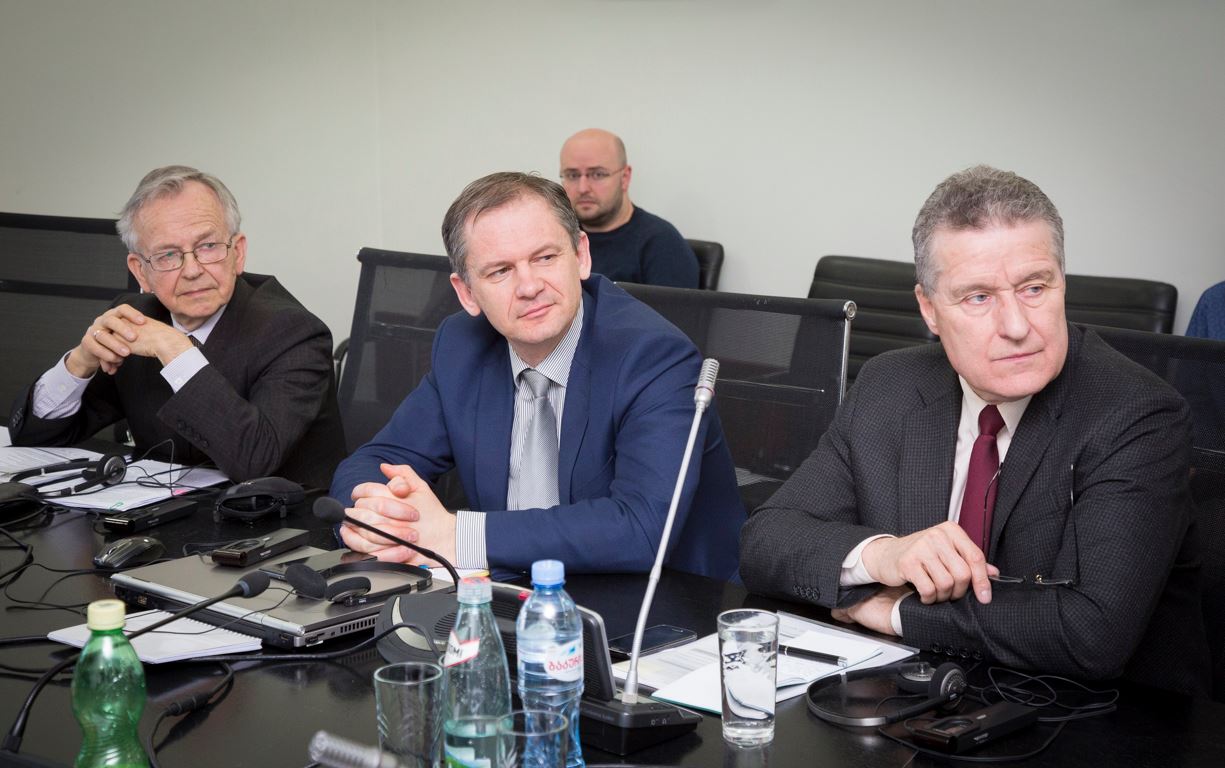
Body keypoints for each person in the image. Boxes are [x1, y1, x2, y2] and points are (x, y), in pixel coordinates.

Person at [739, 165, 1210, 696]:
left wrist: (894, 612)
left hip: (1104, 718)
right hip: (922, 699)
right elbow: (766, 541)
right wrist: (883, 555)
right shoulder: (890, 386)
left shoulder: (1137, 414)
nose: (1017, 326)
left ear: (1062, 282)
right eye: (978, 297)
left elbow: (1091, 634)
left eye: (1035, 287)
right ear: (929, 309)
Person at [330, 172, 743, 580]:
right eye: (500, 271)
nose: (529, 287)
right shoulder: (462, 346)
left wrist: (457, 535)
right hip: (506, 588)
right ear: (467, 293)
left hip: (660, 602)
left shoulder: (652, 356)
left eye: (545, 258)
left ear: (581, 255)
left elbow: (641, 527)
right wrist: (379, 521)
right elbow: (373, 461)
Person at [8, 165, 345, 488]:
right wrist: (79, 363)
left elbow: (255, 458)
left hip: (278, 520)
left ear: (238, 253)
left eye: (208, 246)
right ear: (140, 272)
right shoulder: (135, 318)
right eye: (168, 255)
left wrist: (175, 351)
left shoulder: (293, 332)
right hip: (161, 511)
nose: (192, 270)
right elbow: (36, 436)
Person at [559, 128, 699, 287]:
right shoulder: (558, 236)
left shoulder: (662, 244)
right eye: (572, 175)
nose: (583, 188)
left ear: (625, 178)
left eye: (597, 174)